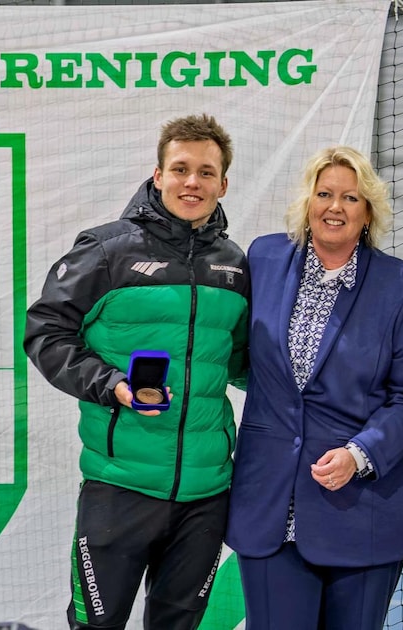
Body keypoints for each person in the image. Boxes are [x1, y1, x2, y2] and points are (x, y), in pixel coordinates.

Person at [24, 113, 249, 629]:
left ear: (223, 183)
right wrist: (112, 385)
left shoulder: (234, 266)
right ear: (158, 174)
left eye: (206, 172)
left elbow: (241, 364)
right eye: (181, 168)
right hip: (119, 488)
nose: (192, 182)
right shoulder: (106, 252)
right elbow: (45, 333)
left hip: (206, 494)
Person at [226, 145, 403, 630]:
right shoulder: (262, 258)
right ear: (307, 201)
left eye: (351, 197)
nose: (335, 207)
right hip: (269, 508)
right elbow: (238, 353)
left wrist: (360, 454)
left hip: (362, 508)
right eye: (325, 194)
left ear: (368, 212)